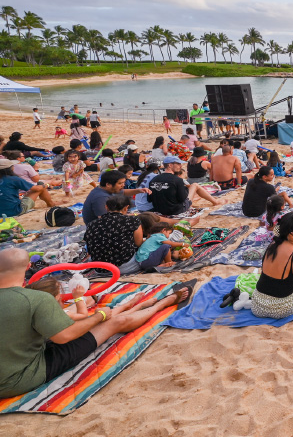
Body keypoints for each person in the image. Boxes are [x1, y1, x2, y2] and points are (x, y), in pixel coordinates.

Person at [0, 246, 190, 398]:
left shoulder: (32, 300)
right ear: (27, 268)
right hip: (17, 379)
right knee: (112, 323)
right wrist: (100, 316)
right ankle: (163, 303)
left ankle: (138, 307)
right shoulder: (34, 299)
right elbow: (65, 336)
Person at [83, 193, 144, 270]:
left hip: (99, 268)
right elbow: (139, 243)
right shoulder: (132, 221)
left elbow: (89, 247)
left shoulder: (92, 224)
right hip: (123, 267)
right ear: (126, 208)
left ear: (106, 207)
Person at [148, 156, 222, 215]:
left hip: (160, 210)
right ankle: (215, 202)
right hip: (176, 210)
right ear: (170, 165)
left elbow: (149, 199)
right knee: (194, 185)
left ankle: (213, 201)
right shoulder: (177, 180)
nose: (180, 166)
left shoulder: (154, 179)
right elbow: (183, 199)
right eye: (178, 164)